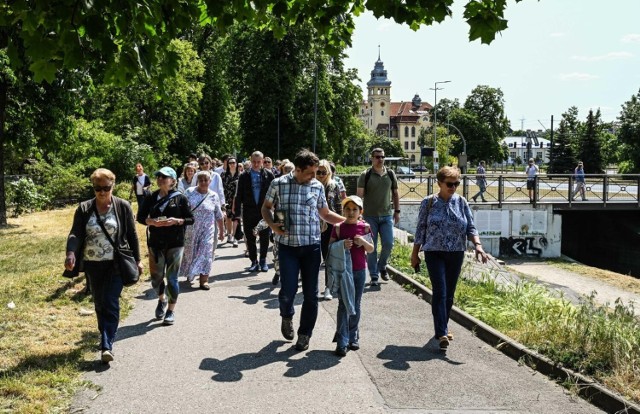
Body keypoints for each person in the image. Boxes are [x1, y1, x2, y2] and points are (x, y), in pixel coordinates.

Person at [261, 149, 345, 352]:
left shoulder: (316, 187)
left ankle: (305, 334)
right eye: (310, 173)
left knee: (310, 294)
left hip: (311, 247)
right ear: (298, 170)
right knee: (288, 290)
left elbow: (325, 214)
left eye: (316, 173)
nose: (314, 177)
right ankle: (287, 315)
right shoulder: (278, 183)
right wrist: (273, 226)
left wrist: (350, 222)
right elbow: (266, 207)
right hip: (287, 247)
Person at [64, 168, 142, 363]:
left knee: (111, 301)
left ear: (112, 186)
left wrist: (138, 259)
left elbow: (132, 235)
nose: (101, 192)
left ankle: (107, 344)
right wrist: (71, 253)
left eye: (106, 188)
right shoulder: (84, 208)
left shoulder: (122, 206)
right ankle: (105, 334)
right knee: (99, 303)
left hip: (116, 262)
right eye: (97, 188)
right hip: (92, 263)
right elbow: (76, 233)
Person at [410, 166, 488, 351]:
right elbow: (421, 229)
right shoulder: (428, 202)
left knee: (450, 294)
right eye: (449, 184)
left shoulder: (461, 202)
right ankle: (443, 332)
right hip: (434, 252)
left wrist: (478, 245)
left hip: (456, 252)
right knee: (440, 290)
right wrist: (414, 254)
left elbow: (470, 227)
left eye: (456, 183)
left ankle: (441, 330)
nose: (453, 187)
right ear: (439, 183)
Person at [137, 166, 194, 326]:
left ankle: (170, 310)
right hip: (155, 242)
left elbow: (190, 219)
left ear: (173, 180)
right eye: (159, 176)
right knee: (156, 278)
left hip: (176, 243)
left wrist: (177, 221)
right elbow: (141, 217)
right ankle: (161, 299)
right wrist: (151, 222)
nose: (161, 179)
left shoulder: (180, 198)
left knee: (172, 278)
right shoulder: (151, 197)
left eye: (164, 177)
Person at [328, 195, 373, 356]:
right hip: (343, 271)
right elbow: (330, 247)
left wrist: (363, 242)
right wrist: (341, 245)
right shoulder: (338, 227)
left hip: (360, 270)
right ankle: (342, 340)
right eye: (347, 209)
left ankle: (353, 336)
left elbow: (371, 249)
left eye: (355, 209)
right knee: (343, 304)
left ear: (361, 211)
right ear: (343, 210)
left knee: (356, 303)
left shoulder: (365, 227)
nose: (351, 212)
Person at [356, 148, 400, 286]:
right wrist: (358, 215)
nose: (380, 159)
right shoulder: (366, 175)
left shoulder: (391, 174)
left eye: (382, 157)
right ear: (372, 158)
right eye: (377, 157)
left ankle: (382, 266)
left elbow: (395, 194)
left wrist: (397, 211)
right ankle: (374, 275)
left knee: (388, 243)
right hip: (369, 216)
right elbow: (359, 196)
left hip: (386, 216)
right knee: (371, 246)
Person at [179, 171, 225, 290]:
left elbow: (219, 215)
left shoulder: (214, 196)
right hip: (191, 229)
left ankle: (204, 280)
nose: (204, 182)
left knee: (206, 253)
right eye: (201, 180)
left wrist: (221, 231)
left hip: (207, 231)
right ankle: (191, 272)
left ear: (210, 181)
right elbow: (181, 209)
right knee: (190, 253)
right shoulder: (189, 192)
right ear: (197, 181)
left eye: (206, 180)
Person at [234, 151, 274, 272]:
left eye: (259, 162)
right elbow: (238, 195)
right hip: (248, 210)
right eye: (254, 162)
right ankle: (253, 261)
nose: (256, 164)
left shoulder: (269, 175)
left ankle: (263, 260)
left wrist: (275, 209)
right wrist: (237, 215)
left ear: (262, 161)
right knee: (250, 236)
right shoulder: (244, 176)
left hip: (264, 211)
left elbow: (275, 194)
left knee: (264, 236)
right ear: (251, 161)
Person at [317, 159, 343, 300]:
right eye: (318, 172)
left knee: (328, 257)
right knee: (313, 257)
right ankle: (311, 285)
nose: (321, 175)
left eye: (323, 172)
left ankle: (328, 287)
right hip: (314, 225)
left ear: (329, 173)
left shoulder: (334, 186)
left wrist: (340, 224)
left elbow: (338, 207)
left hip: (330, 225)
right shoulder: (311, 185)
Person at [221, 156, 241, 246]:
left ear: (236, 164)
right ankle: (229, 235)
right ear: (227, 164)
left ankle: (235, 237)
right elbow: (221, 188)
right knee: (228, 218)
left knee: (236, 218)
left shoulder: (241, 175)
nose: (232, 164)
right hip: (226, 198)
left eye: (234, 163)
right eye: (230, 163)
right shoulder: (223, 175)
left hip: (237, 199)